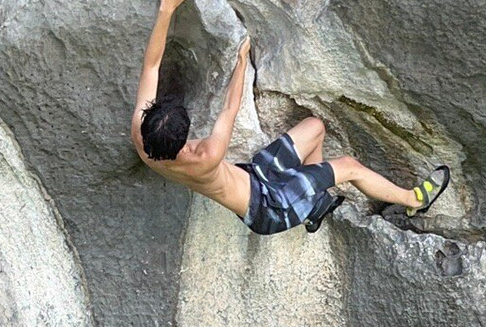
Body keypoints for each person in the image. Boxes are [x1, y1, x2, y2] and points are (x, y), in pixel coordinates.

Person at [131, 0, 449, 235]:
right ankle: (414, 200)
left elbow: (151, 68)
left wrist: (166, 10)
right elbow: (230, 107)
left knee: (316, 127)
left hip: (258, 176)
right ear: (184, 136)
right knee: (349, 167)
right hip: (271, 207)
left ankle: (313, 206)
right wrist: (241, 60)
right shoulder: (206, 155)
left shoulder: (143, 141)